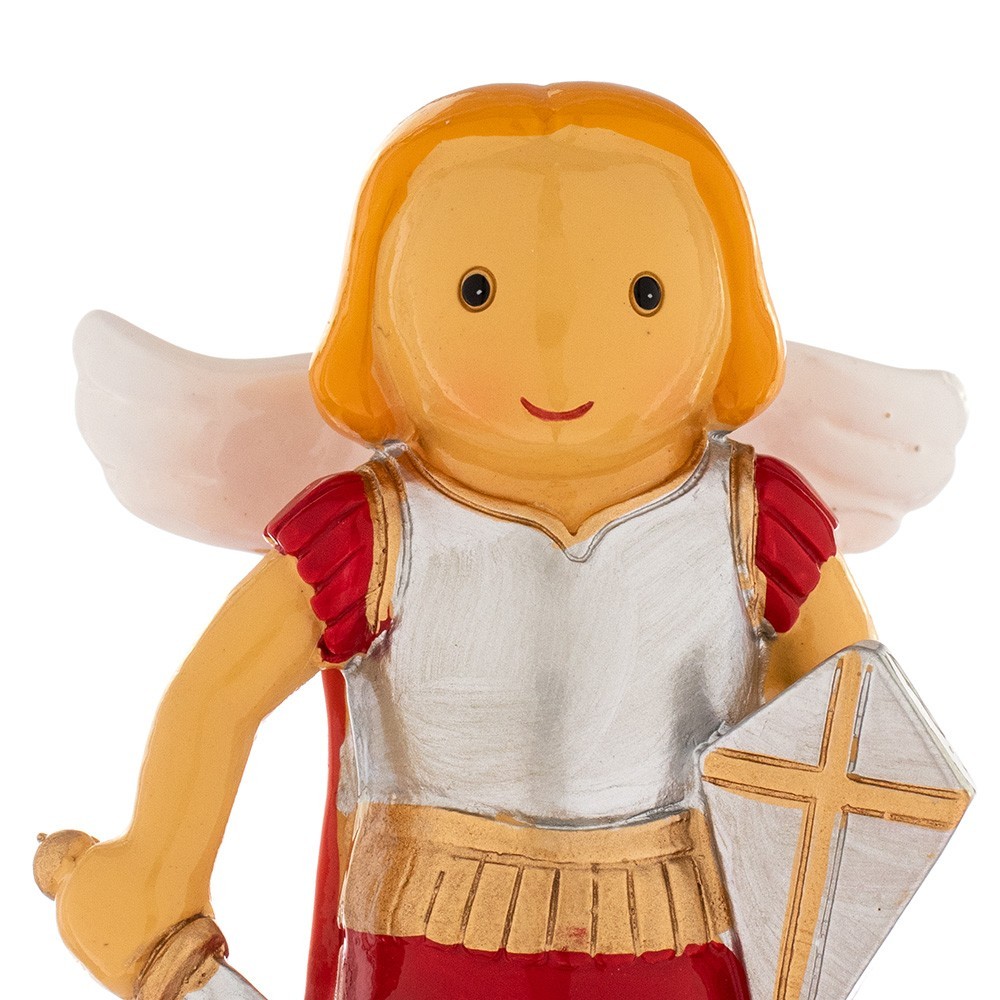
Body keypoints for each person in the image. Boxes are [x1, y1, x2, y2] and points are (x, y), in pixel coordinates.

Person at [43, 83, 875, 1000]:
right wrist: (159, 867)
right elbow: (218, 699)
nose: (559, 349)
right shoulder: (371, 535)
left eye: (644, 294)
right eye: (477, 292)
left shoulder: (754, 525)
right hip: (428, 952)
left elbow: (861, 740)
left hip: (679, 947)